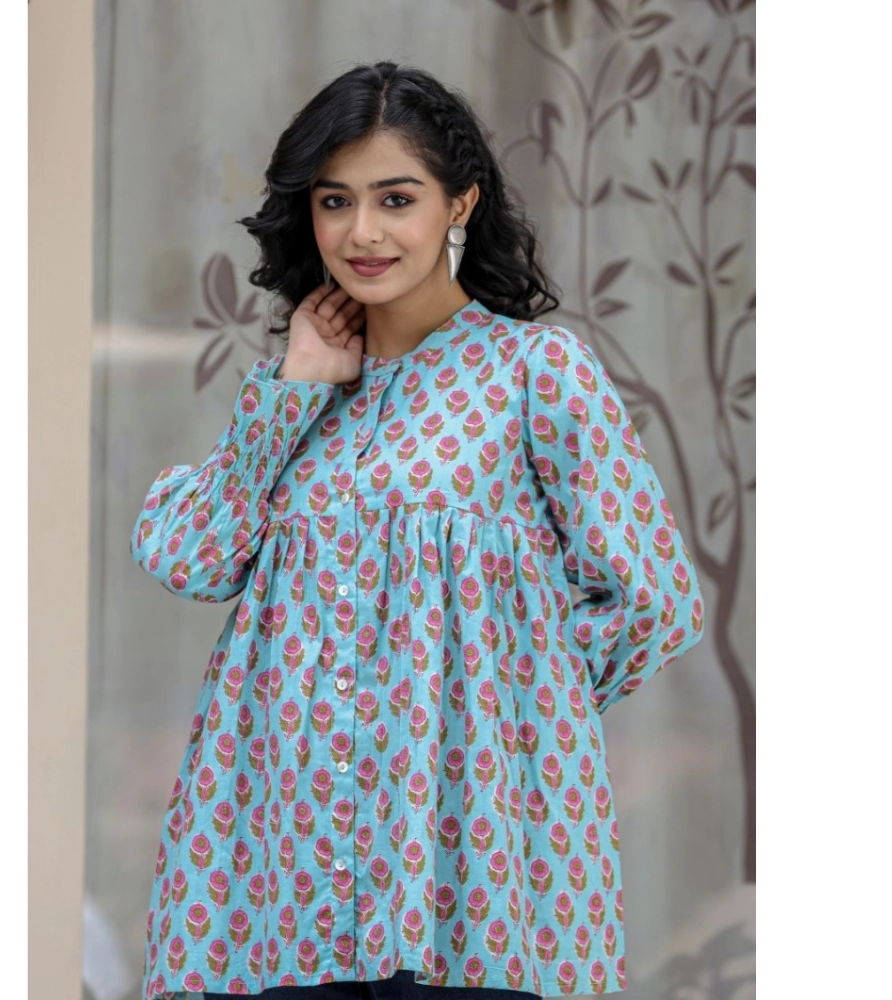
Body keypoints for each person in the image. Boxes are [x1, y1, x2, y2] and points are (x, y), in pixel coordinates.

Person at [129, 61, 704, 1000]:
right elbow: (190, 559)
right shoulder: (295, 392)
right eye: (335, 201)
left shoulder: (535, 372)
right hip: (280, 866)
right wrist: (291, 392)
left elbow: (654, 599)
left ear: (458, 204)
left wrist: (512, 710)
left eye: (396, 199)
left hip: (466, 867)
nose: (362, 232)